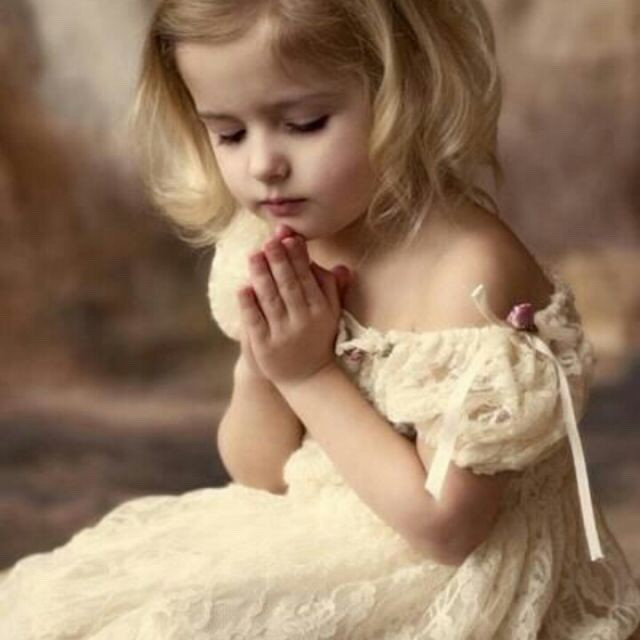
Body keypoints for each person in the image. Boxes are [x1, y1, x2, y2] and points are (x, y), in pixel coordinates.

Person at [1, 0, 639, 637]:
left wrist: (307, 375)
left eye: (305, 124)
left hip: (451, 577)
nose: (263, 165)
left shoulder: (468, 275)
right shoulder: (277, 238)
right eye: (229, 134)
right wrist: (266, 367)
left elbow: (448, 530)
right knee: (63, 608)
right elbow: (258, 472)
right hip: (319, 525)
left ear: (404, 94)